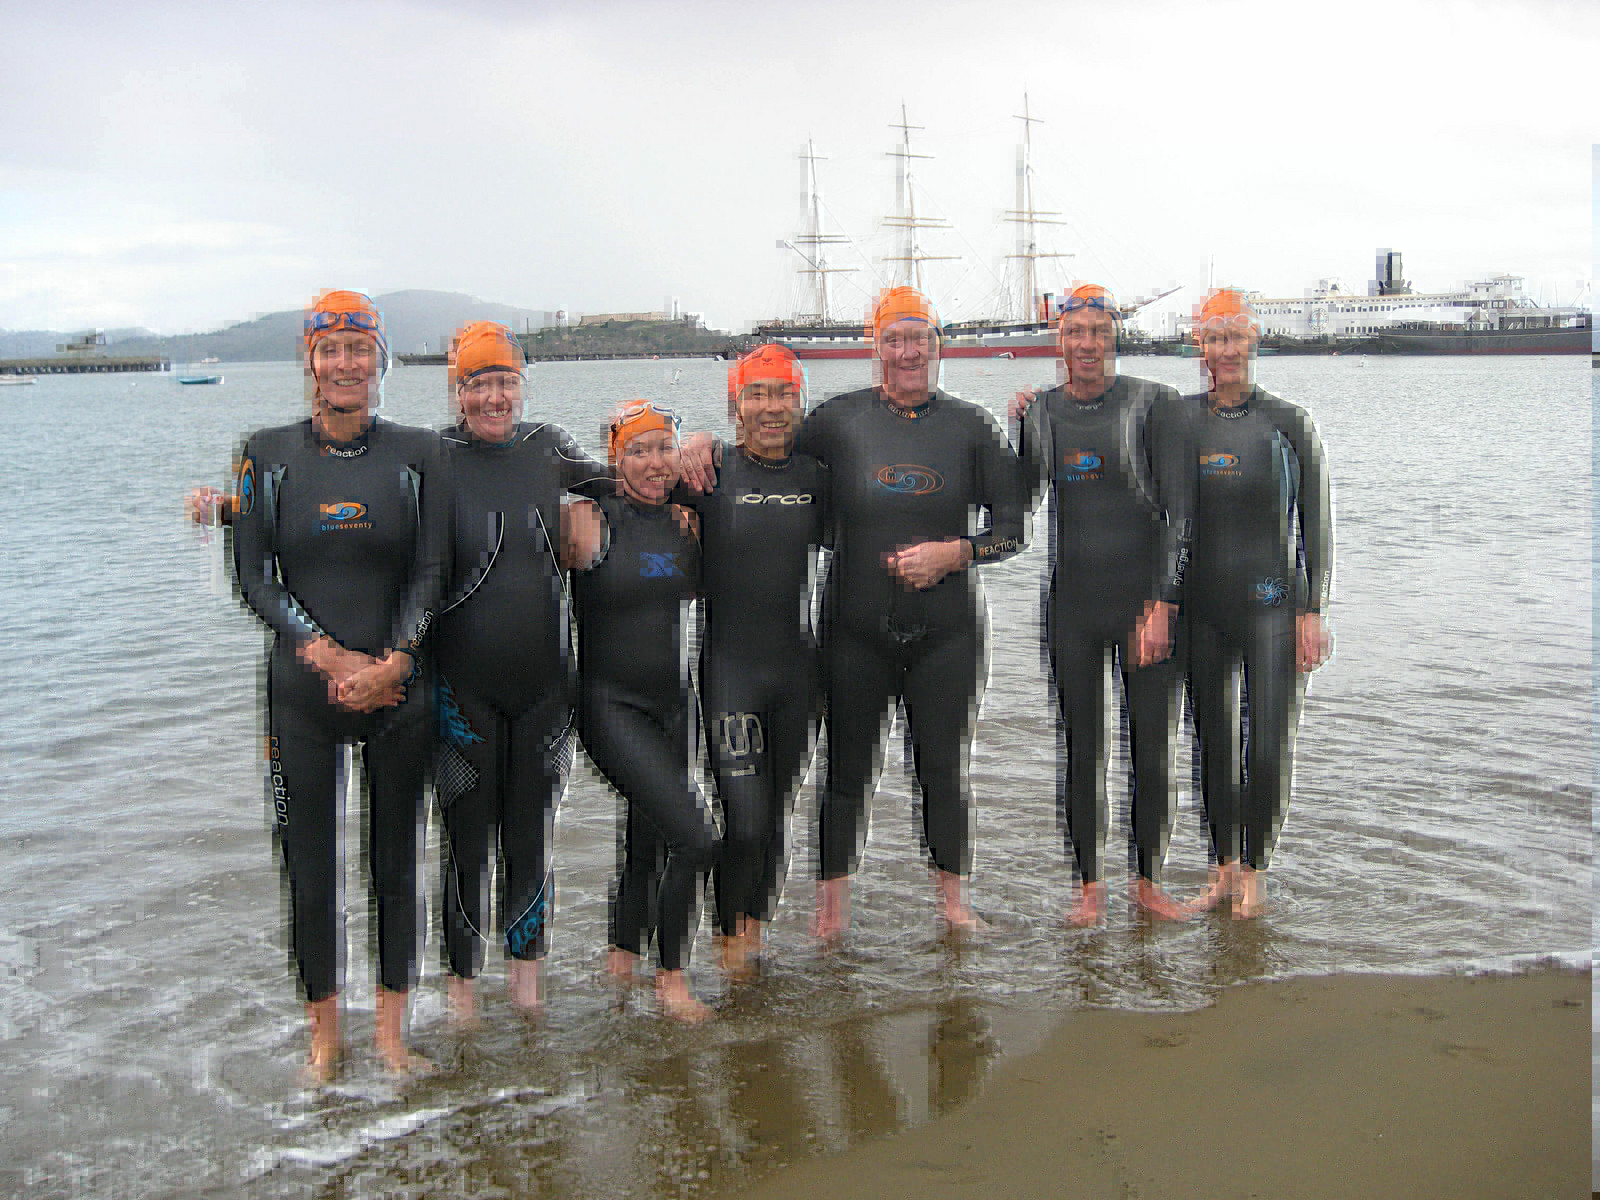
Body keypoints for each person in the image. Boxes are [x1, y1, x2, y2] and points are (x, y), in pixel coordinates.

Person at [684, 287, 1025, 940]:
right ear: (876, 348)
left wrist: (959, 552)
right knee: (845, 773)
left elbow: (1014, 530)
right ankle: (830, 915)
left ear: (936, 346)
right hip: (853, 630)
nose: (906, 352)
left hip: (948, 633)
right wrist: (699, 442)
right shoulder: (836, 421)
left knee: (943, 771)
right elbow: (763, 454)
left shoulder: (971, 427)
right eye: (893, 339)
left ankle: (954, 906)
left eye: (918, 338)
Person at [221, 290, 448, 1079]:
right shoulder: (265, 455)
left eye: (359, 348)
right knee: (309, 869)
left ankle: (390, 1034)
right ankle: (325, 1038)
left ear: (378, 360)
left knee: (396, 865)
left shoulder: (420, 454)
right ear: (309, 360)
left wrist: (398, 658)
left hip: (398, 691)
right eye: (331, 349)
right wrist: (324, 655)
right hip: (303, 695)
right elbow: (253, 575)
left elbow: (431, 569)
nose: (346, 363)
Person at [432, 321, 607, 1023]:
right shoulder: (434, 456)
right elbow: (362, 513)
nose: (493, 398)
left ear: (522, 387)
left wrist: (687, 459)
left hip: (544, 687)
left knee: (532, 835)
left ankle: (528, 991)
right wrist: (233, 507)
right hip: (460, 692)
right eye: (479, 384)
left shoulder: (548, 448)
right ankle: (462, 996)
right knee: (465, 842)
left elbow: (630, 481)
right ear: (458, 391)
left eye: (505, 382)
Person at [1010, 284, 1192, 926]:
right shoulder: (1041, 412)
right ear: (1058, 340)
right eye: (1075, 332)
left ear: (1115, 336)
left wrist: (1164, 605)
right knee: (1081, 749)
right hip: (1072, 606)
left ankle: (1149, 884)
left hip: (1144, 603)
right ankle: (1089, 888)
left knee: (1151, 748)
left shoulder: (1153, 402)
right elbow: (1018, 503)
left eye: (1098, 331)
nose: (1087, 343)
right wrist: (1014, 429)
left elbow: (1182, 515)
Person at [1179, 289, 1332, 918]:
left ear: (1254, 341)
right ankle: (1223, 870)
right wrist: (1034, 406)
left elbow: (1316, 522)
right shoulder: (1178, 420)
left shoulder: (1289, 422)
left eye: (1236, 336)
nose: (1226, 349)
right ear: (1200, 347)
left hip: (1273, 602)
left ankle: (1257, 875)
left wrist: (1313, 609)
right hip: (1202, 607)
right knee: (1213, 744)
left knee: (1267, 744)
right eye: (1214, 338)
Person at [675, 345, 827, 974]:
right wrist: (691, 442)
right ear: (735, 404)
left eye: (782, 393)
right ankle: (727, 947)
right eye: (756, 394)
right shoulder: (709, 477)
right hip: (730, 674)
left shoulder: (817, 476)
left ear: (799, 401)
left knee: (776, 816)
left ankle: (752, 941)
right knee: (744, 818)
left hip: (798, 675)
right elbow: (629, 486)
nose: (770, 407)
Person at [571, 401, 718, 1021]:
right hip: (610, 705)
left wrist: (706, 441)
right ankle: (672, 980)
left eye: (664, 447)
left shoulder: (686, 521)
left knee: (649, 839)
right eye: (638, 450)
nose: (654, 463)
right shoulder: (586, 520)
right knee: (697, 838)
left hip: (674, 703)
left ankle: (621, 961)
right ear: (614, 458)